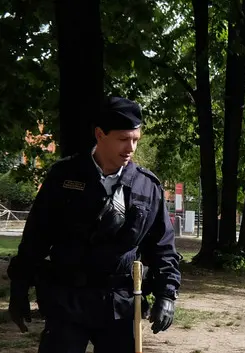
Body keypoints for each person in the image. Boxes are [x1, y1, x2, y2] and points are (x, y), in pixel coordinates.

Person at [7, 97, 182, 352]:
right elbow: (37, 236)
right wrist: (19, 286)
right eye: (123, 139)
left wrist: (167, 294)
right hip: (68, 299)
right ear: (100, 134)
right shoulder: (64, 177)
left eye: (135, 139)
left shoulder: (147, 186)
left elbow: (163, 247)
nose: (130, 147)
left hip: (120, 305)